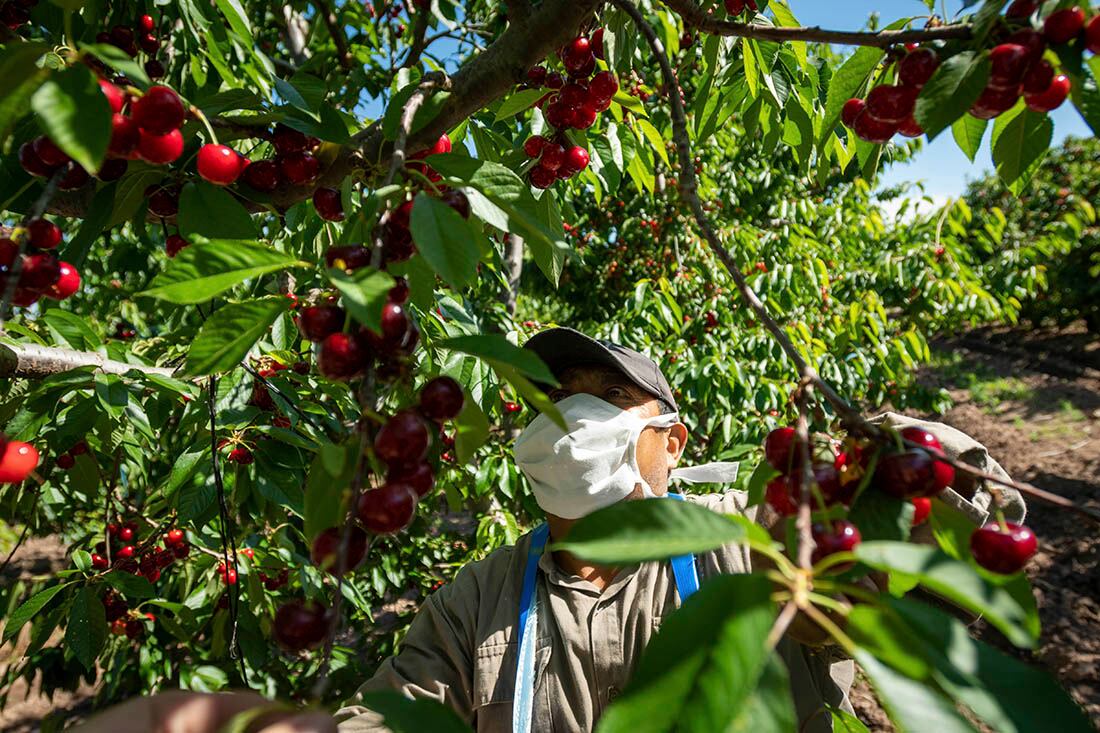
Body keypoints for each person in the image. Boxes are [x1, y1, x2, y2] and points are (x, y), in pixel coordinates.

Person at [74, 327, 1024, 733]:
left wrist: (893, 467)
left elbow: (883, 591)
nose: (572, 420)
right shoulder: (476, 598)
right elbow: (395, 713)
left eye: (609, 399)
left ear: (671, 439)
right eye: (558, 398)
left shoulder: (752, 556)